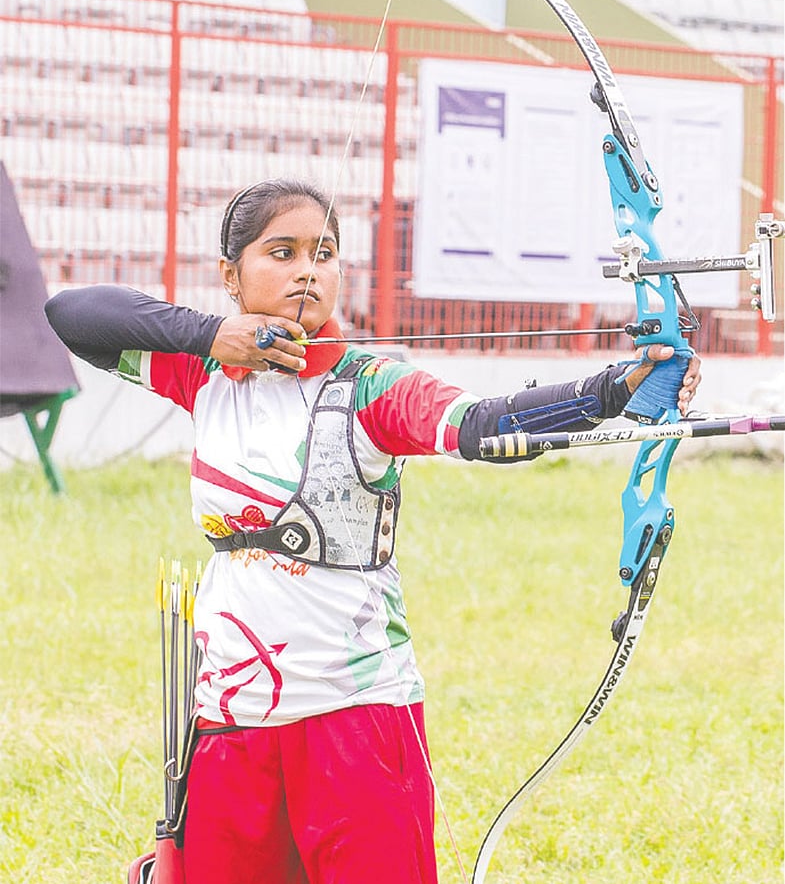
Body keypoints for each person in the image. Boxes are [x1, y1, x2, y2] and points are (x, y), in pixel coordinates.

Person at [45, 178, 700, 884]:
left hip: (355, 712)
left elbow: (483, 424)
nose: (307, 268)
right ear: (230, 277)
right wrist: (210, 334)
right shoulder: (202, 373)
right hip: (230, 705)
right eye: (282, 251)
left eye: (323, 253)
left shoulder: (371, 384)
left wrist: (613, 388)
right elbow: (71, 313)